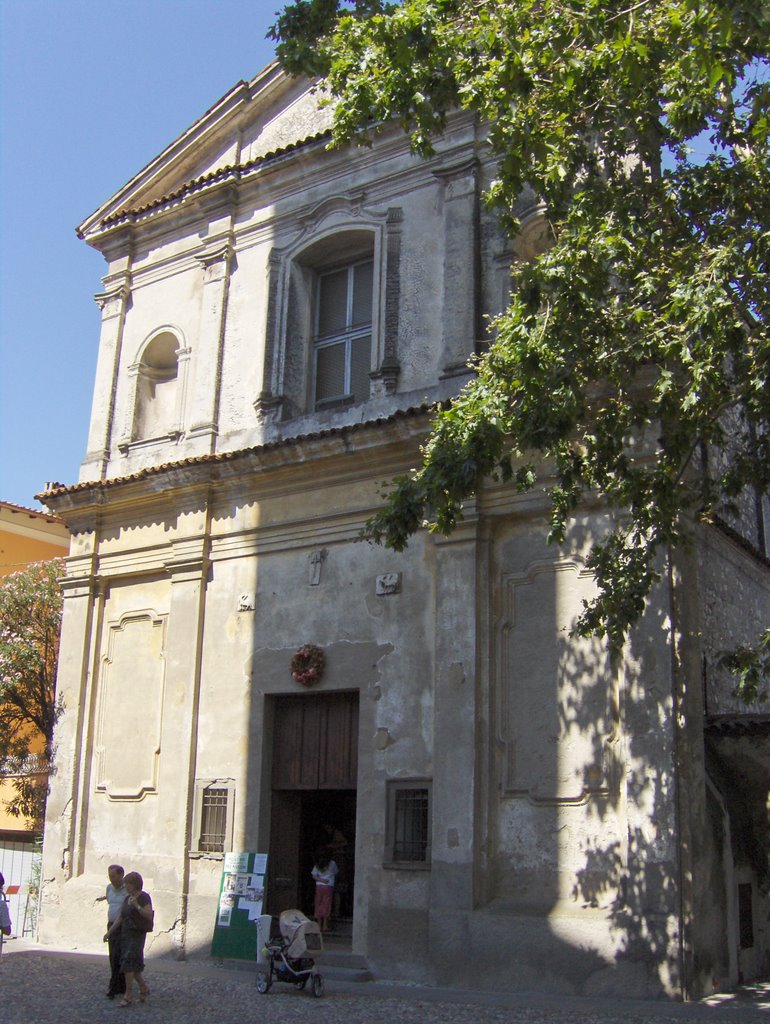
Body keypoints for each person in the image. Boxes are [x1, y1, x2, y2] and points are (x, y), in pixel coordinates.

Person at [104, 870, 152, 1007]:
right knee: (134, 968)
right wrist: (110, 933)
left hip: (136, 935)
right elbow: (120, 918)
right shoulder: (127, 898)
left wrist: (136, 905)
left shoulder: (144, 897)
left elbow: (148, 915)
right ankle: (144, 989)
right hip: (125, 934)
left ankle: (128, 995)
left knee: (128, 965)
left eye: (128, 884)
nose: (126, 887)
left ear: (135, 884)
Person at [97, 864, 126, 999]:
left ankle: (117, 985)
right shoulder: (109, 888)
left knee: (120, 955)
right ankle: (116, 984)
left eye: (113, 876)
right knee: (113, 956)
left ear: (121, 875)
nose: (111, 879)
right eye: (110, 876)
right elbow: (110, 902)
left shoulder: (127, 890)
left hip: (123, 926)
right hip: (111, 924)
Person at [311, 849, 337, 933]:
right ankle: (325, 925)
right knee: (326, 904)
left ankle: (319, 924)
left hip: (319, 886)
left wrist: (321, 880)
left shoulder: (317, 864)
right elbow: (336, 872)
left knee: (318, 903)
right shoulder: (332, 863)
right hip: (329, 886)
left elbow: (314, 876)